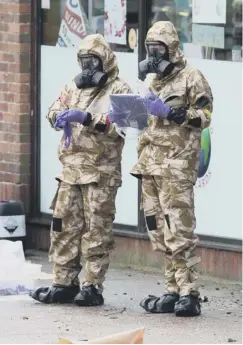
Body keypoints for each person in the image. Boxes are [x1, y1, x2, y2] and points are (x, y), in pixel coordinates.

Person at [111, 21, 213, 317]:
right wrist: (125, 115)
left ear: (172, 48)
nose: (153, 55)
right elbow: (145, 123)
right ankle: (172, 289)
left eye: (159, 48)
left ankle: (189, 292)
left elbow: (204, 115)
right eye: (150, 49)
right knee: (159, 233)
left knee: (179, 232)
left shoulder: (192, 77)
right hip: (150, 166)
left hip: (177, 168)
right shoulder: (152, 81)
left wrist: (172, 112)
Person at [30, 34, 131, 306]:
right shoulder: (72, 88)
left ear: (105, 60)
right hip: (70, 171)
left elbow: (120, 125)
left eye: (93, 61)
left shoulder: (119, 89)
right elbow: (54, 108)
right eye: (84, 62)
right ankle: (63, 283)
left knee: (96, 231)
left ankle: (92, 287)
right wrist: (59, 117)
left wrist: (86, 117)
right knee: (64, 228)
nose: (88, 68)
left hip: (100, 172)